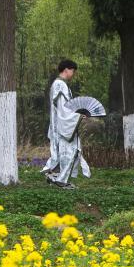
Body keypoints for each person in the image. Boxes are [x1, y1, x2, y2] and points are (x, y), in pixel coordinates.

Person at [41, 59, 89, 190]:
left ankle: (54, 176)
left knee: (60, 152)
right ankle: (60, 180)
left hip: (59, 125)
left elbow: (65, 107)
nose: (73, 74)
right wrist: (77, 116)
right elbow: (63, 109)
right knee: (70, 151)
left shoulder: (58, 84)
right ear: (66, 69)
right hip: (63, 126)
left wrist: (77, 114)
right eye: (73, 71)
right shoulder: (60, 85)